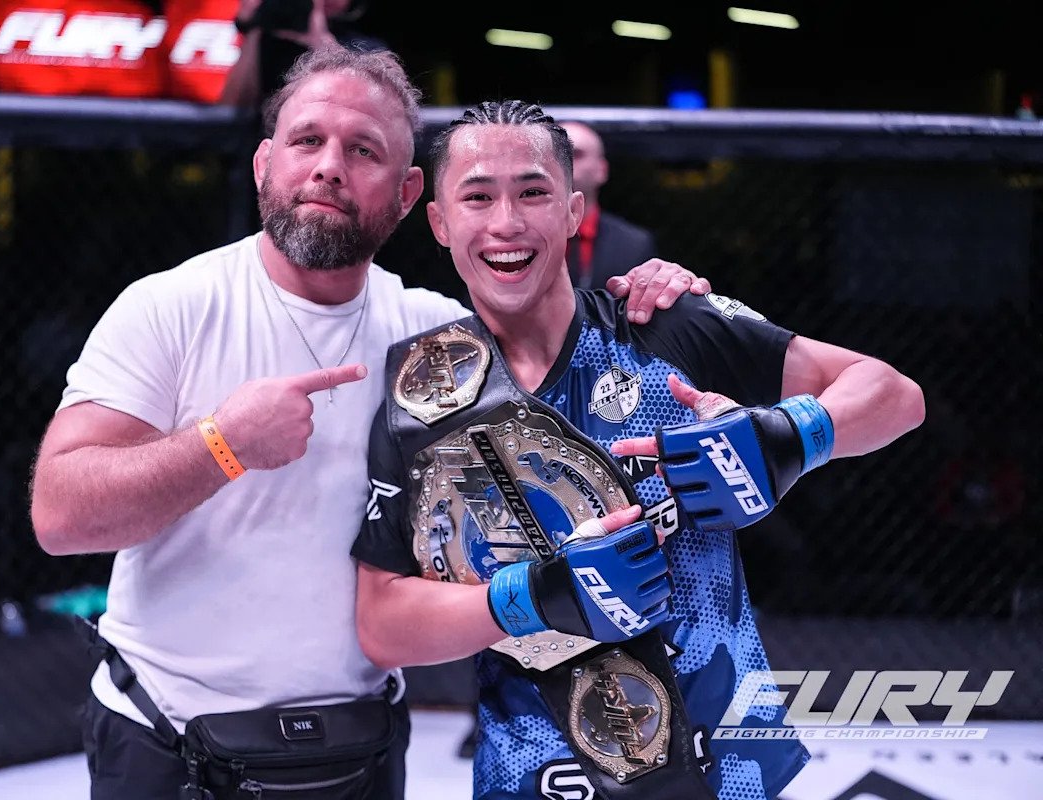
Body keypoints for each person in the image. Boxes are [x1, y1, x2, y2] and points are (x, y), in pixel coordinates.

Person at [29, 46, 711, 799]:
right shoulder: (171, 308)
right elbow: (61, 516)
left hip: (362, 743)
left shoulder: (437, 343)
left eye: (363, 151)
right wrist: (221, 445)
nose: (329, 167)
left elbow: (582, 372)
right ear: (264, 163)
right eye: (306, 140)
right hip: (167, 739)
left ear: (408, 192)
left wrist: (656, 300)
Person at [351, 100, 926, 799]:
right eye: (478, 197)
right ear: (440, 222)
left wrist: (783, 437)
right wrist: (535, 597)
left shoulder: (665, 326)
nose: (506, 222)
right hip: (532, 776)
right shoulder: (422, 403)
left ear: (573, 210)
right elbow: (382, 626)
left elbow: (895, 395)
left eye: (532, 192)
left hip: (724, 770)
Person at [220, 0, 387, 109]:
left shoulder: (365, 48)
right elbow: (232, 106)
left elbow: (371, 104)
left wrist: (320, 40)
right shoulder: (268, 40)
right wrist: (255, 26)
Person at [559, 120, 659, 296]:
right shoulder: (521, 236)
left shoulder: (633, 245)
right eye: (558, 155)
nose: (564, 163)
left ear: (602, 170)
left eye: (576, 154)